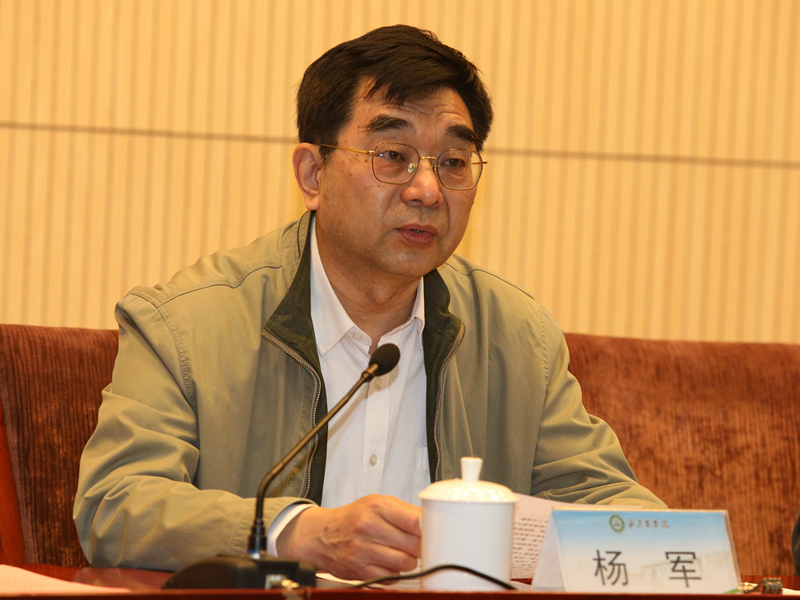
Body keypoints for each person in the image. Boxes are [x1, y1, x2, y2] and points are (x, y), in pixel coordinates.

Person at [74, 24, 665, 580]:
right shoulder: (185, 324)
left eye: (453, 162)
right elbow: (116, 505)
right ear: (313, 174)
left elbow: (611, 506)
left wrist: (669, 548)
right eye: (392, 156)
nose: (427, 189)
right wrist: (296, 533)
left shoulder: (517, 337)